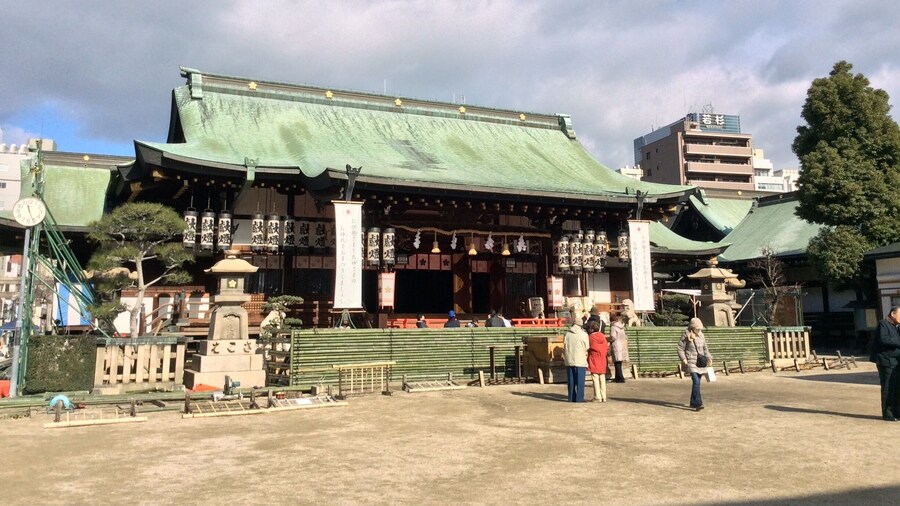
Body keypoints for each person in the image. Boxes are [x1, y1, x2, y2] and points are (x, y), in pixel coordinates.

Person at [677, 317, 713, 411]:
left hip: (700, 362)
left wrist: (709, 357)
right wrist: (683, 358)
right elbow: (680, 348)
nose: (699, 330)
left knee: (697, 383)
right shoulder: (686, 335)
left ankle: (693, 402)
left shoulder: (702, 335)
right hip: (691, 361)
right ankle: (697, 403)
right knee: (696, 382)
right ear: (692, 328)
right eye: (697, 329)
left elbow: (705, 348)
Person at [871, 306, 900, 421]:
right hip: (886, 361)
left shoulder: (897, 327)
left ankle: (897, 412)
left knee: (897, 387)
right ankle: (887, 413)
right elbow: (884, 339)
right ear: (893, 314)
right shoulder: (882, 324)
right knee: (888, 387)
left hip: (896, 361)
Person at [563, 319, 590, 402]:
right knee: (580, 381)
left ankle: (571, 397)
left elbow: (564, 346)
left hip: (569, 359)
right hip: (580, 359)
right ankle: (579, 398)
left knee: (571, 380)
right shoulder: (584, 334)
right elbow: (587, 347)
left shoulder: (567, 334)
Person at [587, 320, 609, 402]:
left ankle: (597, 396)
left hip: (594, 358)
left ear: (591, 329)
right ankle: (604, 396)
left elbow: (589, 347)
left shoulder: (591, 337)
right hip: (602, 358)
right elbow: (606, 347)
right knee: (602, 377)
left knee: (595, 377)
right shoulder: (603, 336)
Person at [608, 316, 630, 383]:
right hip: (622, 345)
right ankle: (618, 377)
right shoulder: (622, 327)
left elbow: (613, 336)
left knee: (617, 363)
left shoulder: (613, 327)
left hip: (616, 345)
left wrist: (609, 340)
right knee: (619, 363)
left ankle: (620, 378)